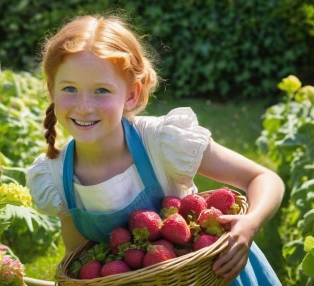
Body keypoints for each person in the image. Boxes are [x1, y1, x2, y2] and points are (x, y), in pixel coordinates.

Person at [26, 13, 284, 285]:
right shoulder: (56, 178)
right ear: (52, 91)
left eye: (101, 90)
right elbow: (81, 258)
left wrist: (250, 224)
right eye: (69, 89)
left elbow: (264, 178)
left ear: (132, 94)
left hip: (214, 274)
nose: (84, 106)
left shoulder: (161, 143)